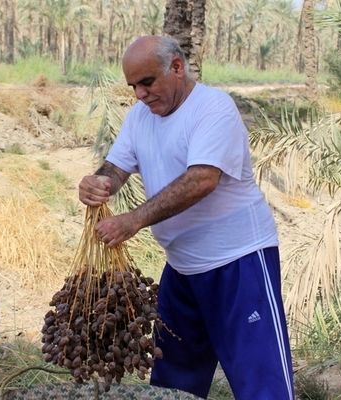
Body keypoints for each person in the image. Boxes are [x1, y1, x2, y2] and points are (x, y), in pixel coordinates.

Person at [78, 35, 294, 400]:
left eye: (147, 83)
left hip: (238, 265)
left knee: (263, 384)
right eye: (133, 87)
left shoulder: (213, 108)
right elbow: (116, 167)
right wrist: (98, 182)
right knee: (173, 384)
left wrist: (133, 220)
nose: (140, 95)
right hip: (182, 270)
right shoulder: (140, 117)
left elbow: (202, 179)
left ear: (176, 67)